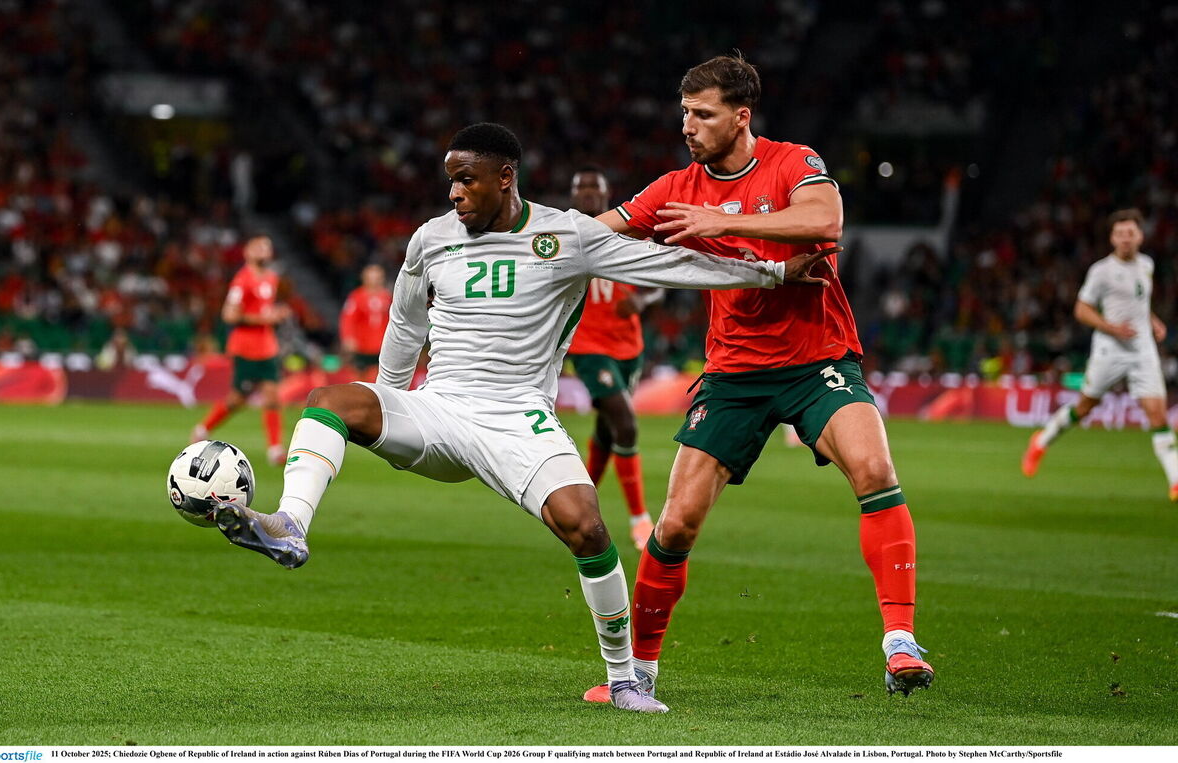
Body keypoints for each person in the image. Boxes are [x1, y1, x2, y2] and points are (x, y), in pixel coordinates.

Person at [204, 123, 837, 714]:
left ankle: (624, 680)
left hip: (518, 416)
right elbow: (405, 324)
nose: (454, 194)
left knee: (586, 528)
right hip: (440, 408)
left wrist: (775, 271)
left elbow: (667, 264)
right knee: (330, 400)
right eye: (450, 180)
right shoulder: (431, 238)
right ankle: (290, 524)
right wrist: (390, 403)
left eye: (467, 180)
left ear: (506, 176)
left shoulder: (568, 235)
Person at [582, 54, 933, 703]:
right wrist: (528, 241)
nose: (688, 125)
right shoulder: (675, 186)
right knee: (678, 521)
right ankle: (638, 675)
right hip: (735, 372)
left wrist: (725, 220)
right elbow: (601, 229)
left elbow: (824, 222)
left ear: (740, 117)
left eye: (703, 114)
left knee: (876, 470)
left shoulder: (791, 161)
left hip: (817, 358)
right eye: (684, 112)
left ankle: (901, 641)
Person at [1022, 208, 1178, 499]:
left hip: (1142, 349)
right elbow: (1081, 310)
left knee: (1157, 414)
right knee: (1085, 407)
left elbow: (1139, 302)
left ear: (1140, 236)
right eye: (1120, 234)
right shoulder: (1101, 271)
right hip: (1110, 348)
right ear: (1112, 238)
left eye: (1130, 233)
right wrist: (1111, 327)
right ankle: (1041, 440)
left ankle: (1175, 480)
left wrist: (1152, 320)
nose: (1125, 239)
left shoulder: (1146, 264)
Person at [566, 167, 662, 551]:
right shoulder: (563, 233)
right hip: (588, 348)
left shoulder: (630, 228)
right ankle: (640, 519)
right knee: (625, 425)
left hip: (628, 348)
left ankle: (578, 507)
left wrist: (642, 299)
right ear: (572, 195)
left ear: (607, 194)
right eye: (581, 187)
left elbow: (660, 278)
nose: (588, 193)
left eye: (595, 187)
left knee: (608, 431)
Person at [191, 236, 290, 466]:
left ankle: (275, 449)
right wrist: (263, 318)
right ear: (247, 252)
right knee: (238, 399)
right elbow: (229, 314)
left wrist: (276, 313)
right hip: (245, 348)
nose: (264, 249)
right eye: (259, 246)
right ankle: (202, 428)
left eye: (267, 246)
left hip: (267, 347)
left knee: (273, 396)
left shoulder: (272, 278)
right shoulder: (242, 280)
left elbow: (264, 308)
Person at [339, 263, 393, 375]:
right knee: (360, 376)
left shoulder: (388, 296)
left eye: (378, 278)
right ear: (365, 278)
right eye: (372, 278)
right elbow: (348, 318)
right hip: (362, 345)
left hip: (383, 345)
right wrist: (348, 337)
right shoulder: (356, 296)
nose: (375, 281)